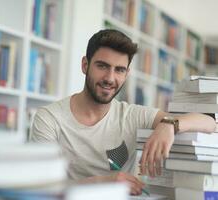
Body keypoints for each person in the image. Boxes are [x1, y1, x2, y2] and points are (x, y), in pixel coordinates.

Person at [30, 29, 216, 195]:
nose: (110, 78)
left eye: (119, 70)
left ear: (126, 74)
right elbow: (39, 187)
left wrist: (169, 124)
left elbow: (211, 123)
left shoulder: (132, 115)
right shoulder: (49, 118)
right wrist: (104, 182)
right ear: (85, 65)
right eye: (102, 66)